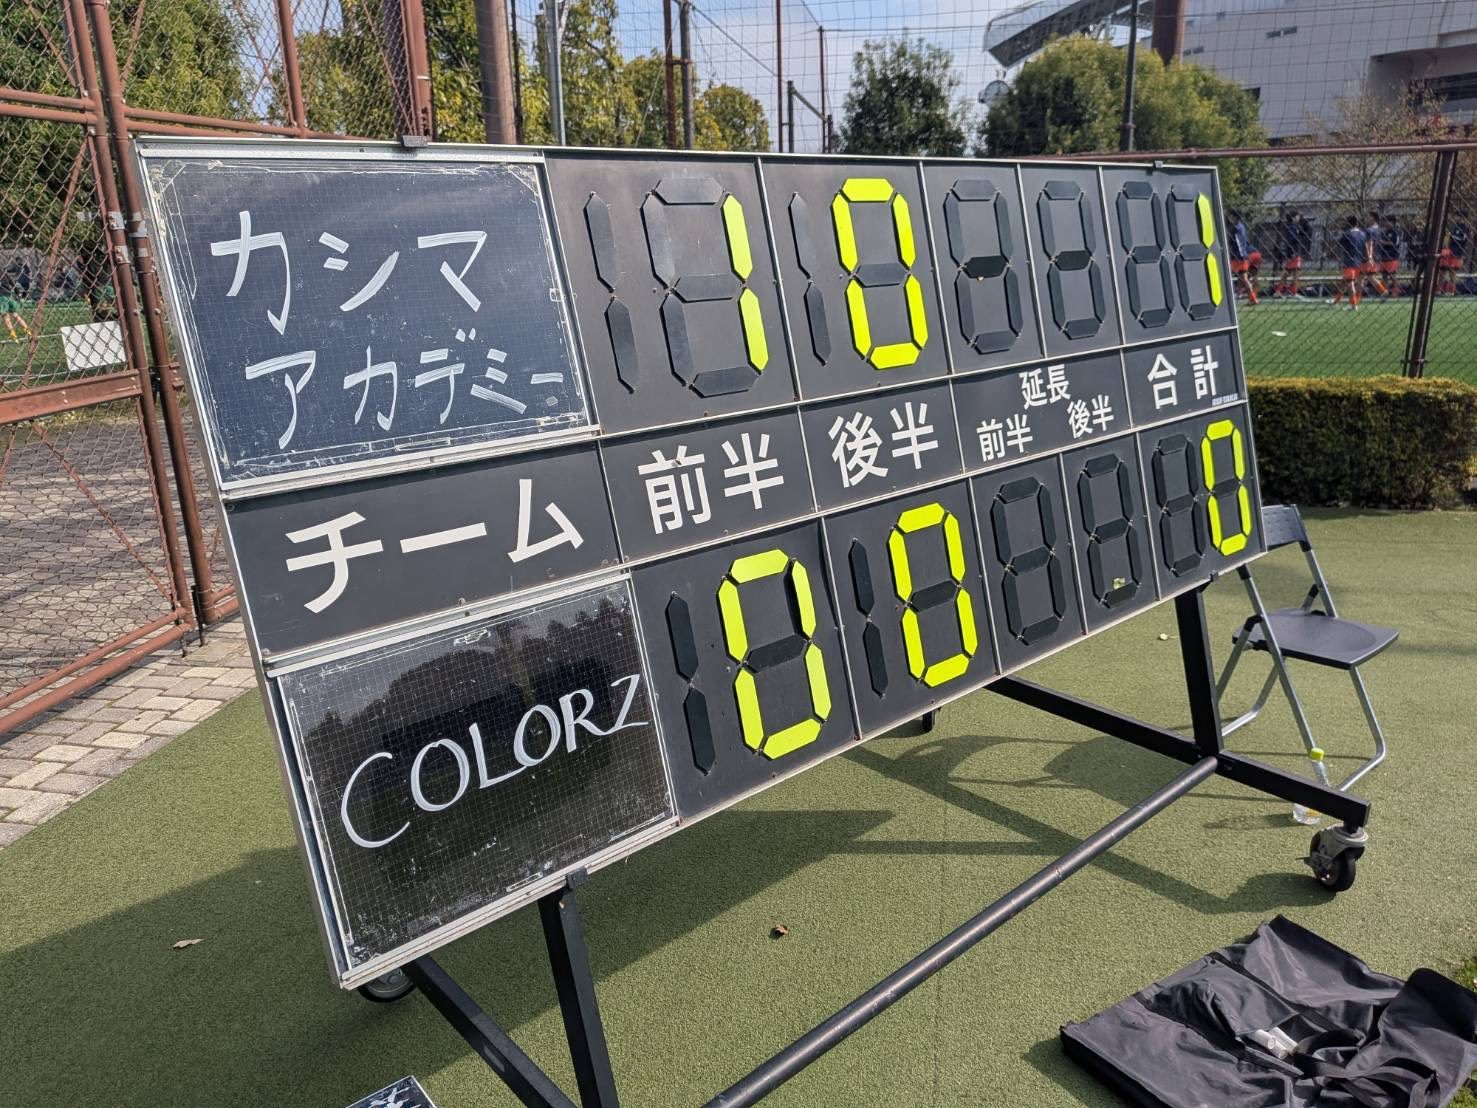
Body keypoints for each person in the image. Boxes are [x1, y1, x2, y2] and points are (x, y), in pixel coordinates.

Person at [1329, 215, 1367, 310]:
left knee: (1350, 283)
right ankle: (1336, 301)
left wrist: (1328, 253)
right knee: (1345, 282)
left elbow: (1338, 244)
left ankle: (1353, 305)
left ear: (1348, 223)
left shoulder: (1347, 234)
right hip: (1359, 261)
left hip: (1349, 261)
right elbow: (1365, 247)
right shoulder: (1362, 234)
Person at [1274, 208, 1311, 297]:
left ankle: (1280, 290)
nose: (1299, 218)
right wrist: (1293, 251)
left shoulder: (1295, 227)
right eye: (1298, 216)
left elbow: (1304, 233)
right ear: (1293, 217)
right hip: (1294, 252)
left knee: (1288, 272)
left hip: (1293, 252)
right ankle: (1293, 292)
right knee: (1295, 273)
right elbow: (1292, 239)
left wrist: (1305, 226)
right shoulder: (1292, 227)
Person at [1226, 209, 1260, 304]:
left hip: (1238, 257)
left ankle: (1251, 298)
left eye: (1231, 216)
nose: (1230, 218)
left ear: (1235, 217)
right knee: (1243, 279)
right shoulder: (1241, 226)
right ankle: (1252, 298)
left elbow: (1235, 242)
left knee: (1242, 279)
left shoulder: (1235, 228)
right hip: (1240, 256)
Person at [1361, 213, 1388, 297]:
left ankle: (1383, 291)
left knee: (1364, 276)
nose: (1367, 219)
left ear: (1373, 218)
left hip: (1368, 256)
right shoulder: (1379, 230)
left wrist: (1369, 256)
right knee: (1367, 276)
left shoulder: (1369, 230)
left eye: (1368, 217)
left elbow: (1370, 243)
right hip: (1377, 255)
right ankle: (1383, 291)